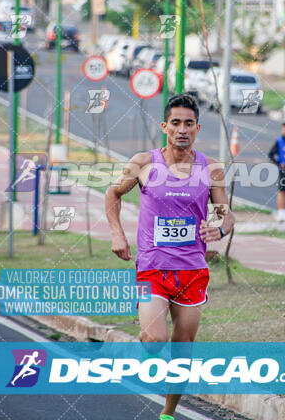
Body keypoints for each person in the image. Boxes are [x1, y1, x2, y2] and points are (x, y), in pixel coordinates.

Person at [105, 94, 235, 420]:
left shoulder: (211, 168)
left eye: (188, 123)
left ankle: (167, 413)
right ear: (164, 126)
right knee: (153, 340)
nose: (181, 129)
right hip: (152, 266)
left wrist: (219, 230)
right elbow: (113, 194)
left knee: (182, 350)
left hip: (192, 270)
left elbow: (226, 215)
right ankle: (145, 326)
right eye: (175, 123)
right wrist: (117, 234)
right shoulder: (144, 163)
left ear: (197, 128)